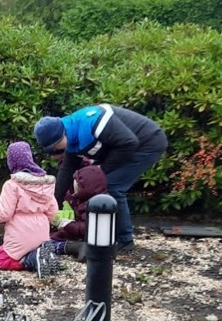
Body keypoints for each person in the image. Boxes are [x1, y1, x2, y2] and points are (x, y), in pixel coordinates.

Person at [34, 105, 167, 253]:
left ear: (62, 134)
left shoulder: (91, 123)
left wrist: (102, 169)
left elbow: (129, 142)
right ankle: (103, 233)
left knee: (112, 186)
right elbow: (66, 171)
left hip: (147, 142)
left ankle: (124, 241)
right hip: (125, 146)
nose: (55, 151)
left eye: (54, 146)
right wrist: (53, 203)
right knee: (94, 183)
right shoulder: (72, 135)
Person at [0, 142, 60, 275]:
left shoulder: (12, 185)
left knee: (4, 261)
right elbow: (53, 213)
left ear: (11, 162)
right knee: (34, 248)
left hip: (20, 231)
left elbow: (5, 214)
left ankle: (30, 260)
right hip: (42, 232)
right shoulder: (44, 184)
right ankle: (41, 255)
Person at [49, 164, 108, 259]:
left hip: (86, 239)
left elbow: (88, 228)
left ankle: (73, 247)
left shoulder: (95, 205)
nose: (74, 184)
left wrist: (66, 223)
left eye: (77, 183)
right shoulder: (77, 198)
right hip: (74, 234)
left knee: (47, 245)